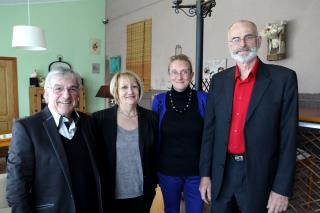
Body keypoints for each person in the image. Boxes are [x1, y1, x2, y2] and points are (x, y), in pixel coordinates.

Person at [199, 20, 298, 213]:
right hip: (222, 172)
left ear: (259, 41)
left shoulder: (283, 79)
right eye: (236, 39)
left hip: (260, 175)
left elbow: (289, 138)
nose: (242, 43)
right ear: (229, 45)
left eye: (248, 37)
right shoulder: (218, 81)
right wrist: (205, 174)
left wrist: (282, 188)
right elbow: (209, 132)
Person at [6, 69, 103, 213]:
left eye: (72, 89)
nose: (66, 95)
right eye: (58, 88)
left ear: (78, 94)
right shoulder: (27, 128)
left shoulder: (88, 122)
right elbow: (17, 185)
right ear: (46, 94)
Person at [92, 71, 158, 213]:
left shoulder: (151, 118)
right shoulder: (100, 119)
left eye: (134, 86)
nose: (130, 91)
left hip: (142, 193)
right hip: (110, 194)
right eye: (124, 87)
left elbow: (156, 153)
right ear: (115, 91)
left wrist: (153, 181)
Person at [152, 54, 207, 213]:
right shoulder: (159, 101)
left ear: (191, 75)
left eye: (184, 71)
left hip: (196, 172)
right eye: (174, 72)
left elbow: (210, 136)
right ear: (169, 75)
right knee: (170, 210)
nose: (179, 76)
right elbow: (154, 136)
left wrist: (208, 173)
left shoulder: (204, 99)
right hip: (167, 171)